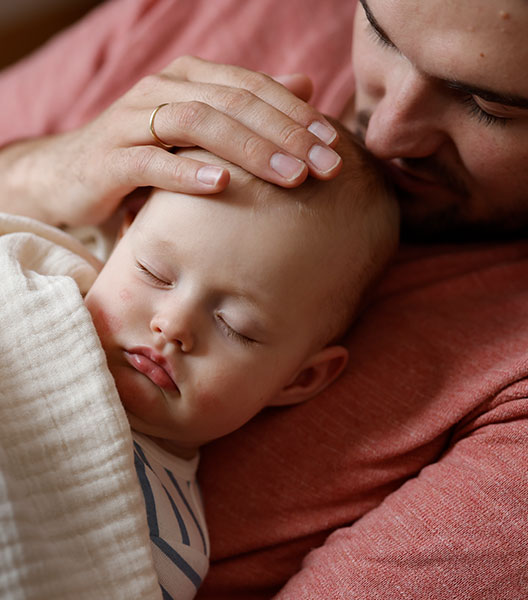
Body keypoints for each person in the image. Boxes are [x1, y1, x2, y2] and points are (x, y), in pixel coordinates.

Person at [0, 0, 528, 597]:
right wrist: (48, 173)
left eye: (488, 104)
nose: (387, 129)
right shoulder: (243, 16)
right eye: (381, 33)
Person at [89, 141, 397, 599]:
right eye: (153, 272)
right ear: (120, 238)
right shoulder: (30, 282)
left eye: (237, 327)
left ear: (298, 378)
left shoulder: (164, 543)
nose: (172, 326)